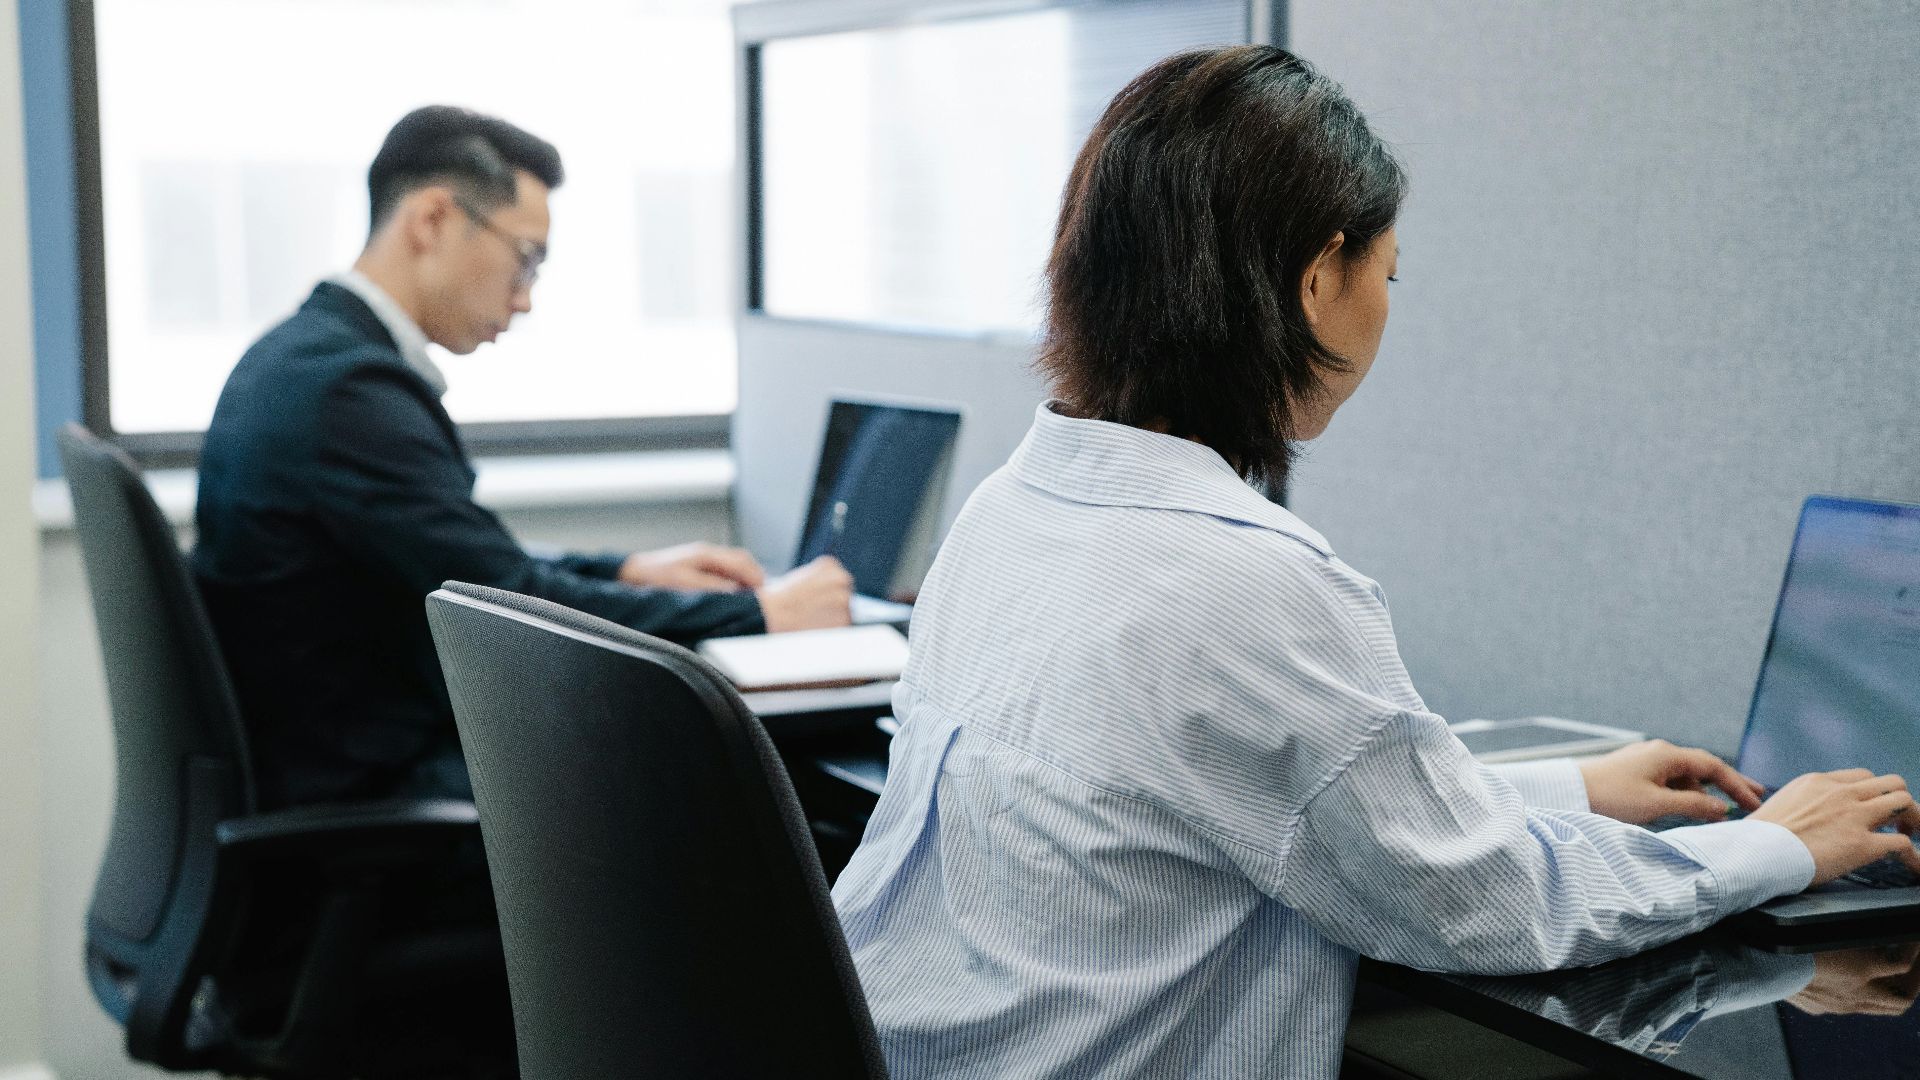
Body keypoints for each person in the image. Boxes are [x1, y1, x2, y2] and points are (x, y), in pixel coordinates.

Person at [830, 46, 1920, 1078]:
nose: (1388, 305)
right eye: (1389, 271)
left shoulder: (1011, 512)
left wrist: (1568, 787)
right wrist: (1776, 848)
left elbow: (1231, 796)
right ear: (1318, 282)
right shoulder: (1245, 584)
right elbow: (1490, 904)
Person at [194, 106, 852, 809]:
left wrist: (627, 569)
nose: (527, 297)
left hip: (350, 764)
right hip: (383, 796)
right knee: (736, 795)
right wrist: (759, 615)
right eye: (526, 257)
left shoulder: (302, 359)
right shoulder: (347, 394)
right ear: (433, 221)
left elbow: (464, 559)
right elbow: (513, 606)